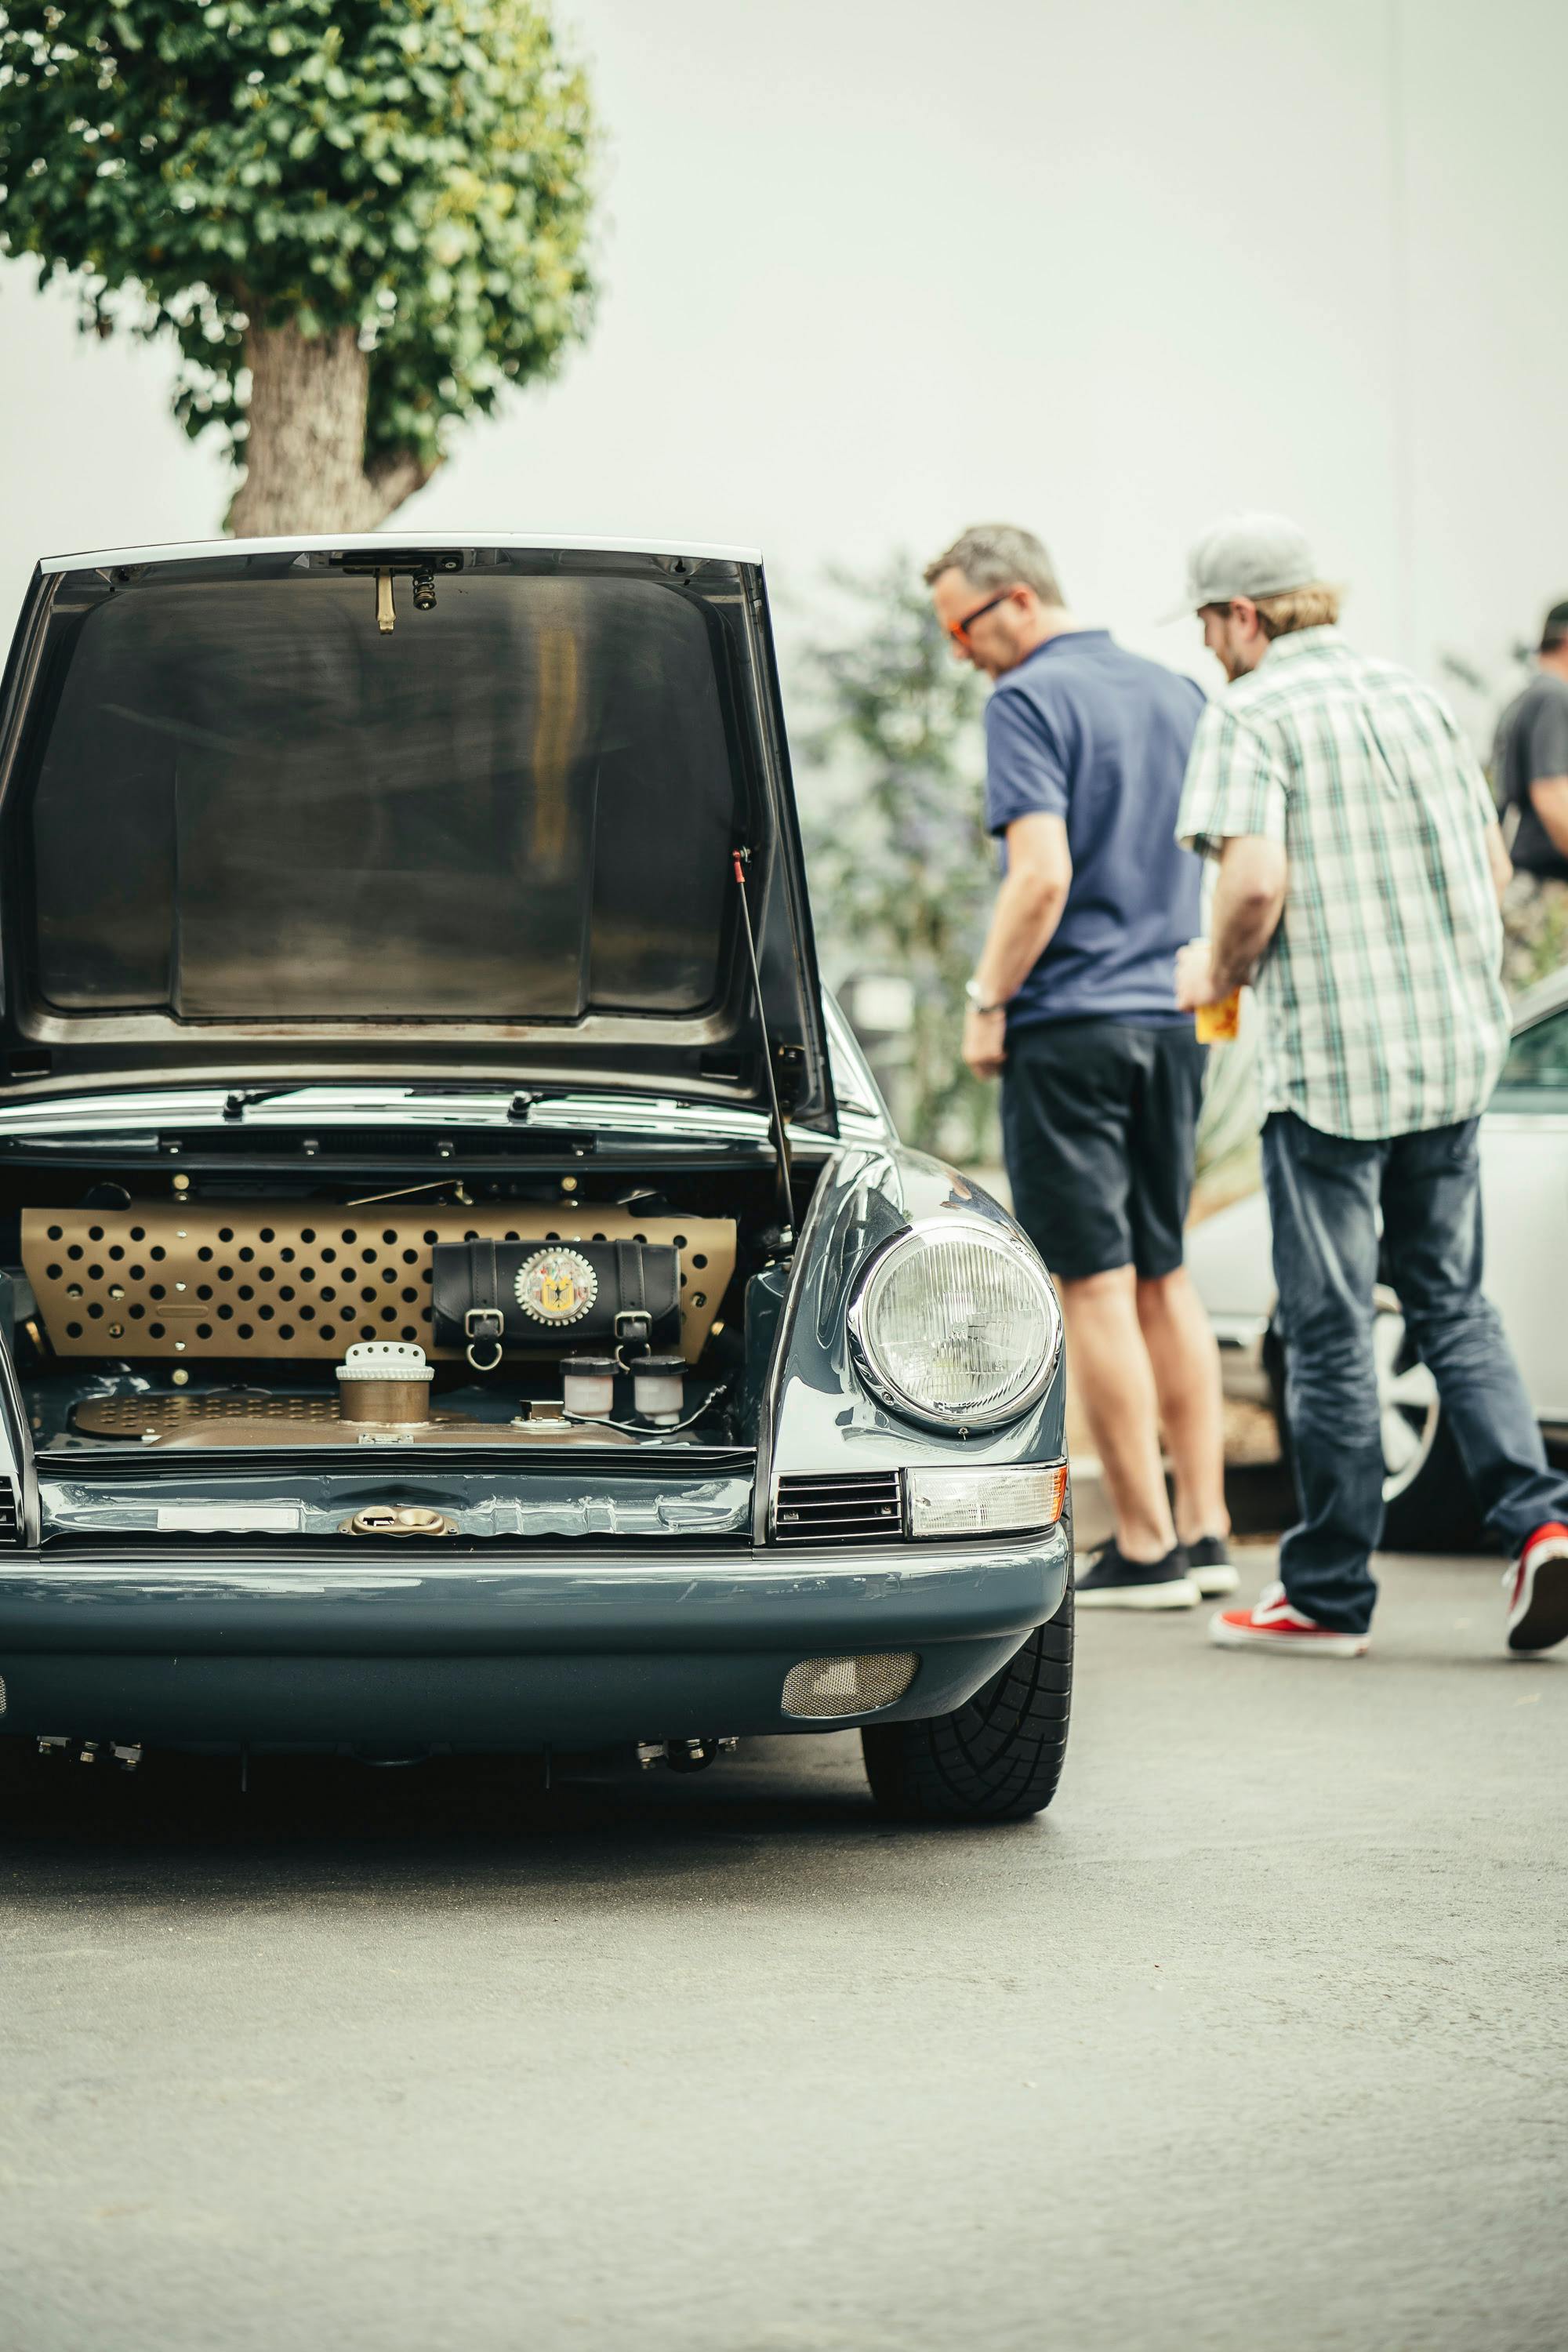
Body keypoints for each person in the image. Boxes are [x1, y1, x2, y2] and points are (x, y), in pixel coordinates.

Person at [1172, 511, 1568, 1657]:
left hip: (1334, 1072)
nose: (1206, 646)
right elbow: (1494, 870)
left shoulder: (1253, 710)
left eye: (1207, 623)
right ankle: (1540, 1528)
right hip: (1450, 1057)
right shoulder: (1416, 700)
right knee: (1452, 1298)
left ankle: (1329, 1594)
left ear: (1244, 615)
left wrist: (1222, 972)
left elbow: (1250, 884)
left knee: (1332, 1321)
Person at [924, 522, 1232, 1610]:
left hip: (1072, 1025)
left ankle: (1143, 1547)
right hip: (1168, 1019)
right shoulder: (1179, 693)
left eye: (961, 627)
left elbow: (1040, 876)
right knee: (1165, 1274)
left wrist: (987, 999)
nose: (961, 653)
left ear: (1013, 601)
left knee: (1092, 1283)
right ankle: (1206, 1531)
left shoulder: (1026, 702)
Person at [1493, 599, 1568, 993]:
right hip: (1545, 893)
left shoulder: (1524, 696)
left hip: (1526, 887)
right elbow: (1552, 794)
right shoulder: (1554, 696)